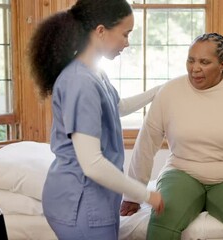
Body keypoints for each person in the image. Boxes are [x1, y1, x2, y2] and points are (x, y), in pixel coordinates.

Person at [120, 32, 223, 240]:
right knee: (162, 225)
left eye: (204, 62)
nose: (194, 68)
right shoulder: (170, 91)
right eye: (191, 60)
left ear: (222, 64)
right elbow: (146, 144)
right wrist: (133, 194)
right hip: (181, 173)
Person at [27, 0, 164, 239]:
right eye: (125, 34)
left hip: (93, 200)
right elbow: (92, 163)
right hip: (80, 202)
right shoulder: (80, 81)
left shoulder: (93, 72)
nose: (127, 43)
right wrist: (146, 194)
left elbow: (116, 107)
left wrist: (157, 92)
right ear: (101, 31)